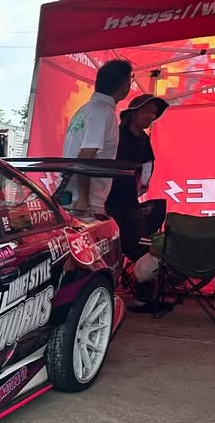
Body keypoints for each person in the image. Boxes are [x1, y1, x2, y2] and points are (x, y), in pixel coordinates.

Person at [106, 93, 170, 312]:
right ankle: (104, 296)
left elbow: (148, 165)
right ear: (133, 113)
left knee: (141, 245)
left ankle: (144, 298)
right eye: (147, 111)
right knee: (108, 249)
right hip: (107, 201)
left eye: (154, 113)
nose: (151, 116)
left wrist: (141, 186)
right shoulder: (115, 135)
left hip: (130, 202)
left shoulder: (143, 138)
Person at [61, 59, 133, 217]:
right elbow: (85, 157)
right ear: (124, 85)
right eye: (130, 80)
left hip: (71, 195)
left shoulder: (85, 109)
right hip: (85, 202)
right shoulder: (103, 113)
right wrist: (84, 199)